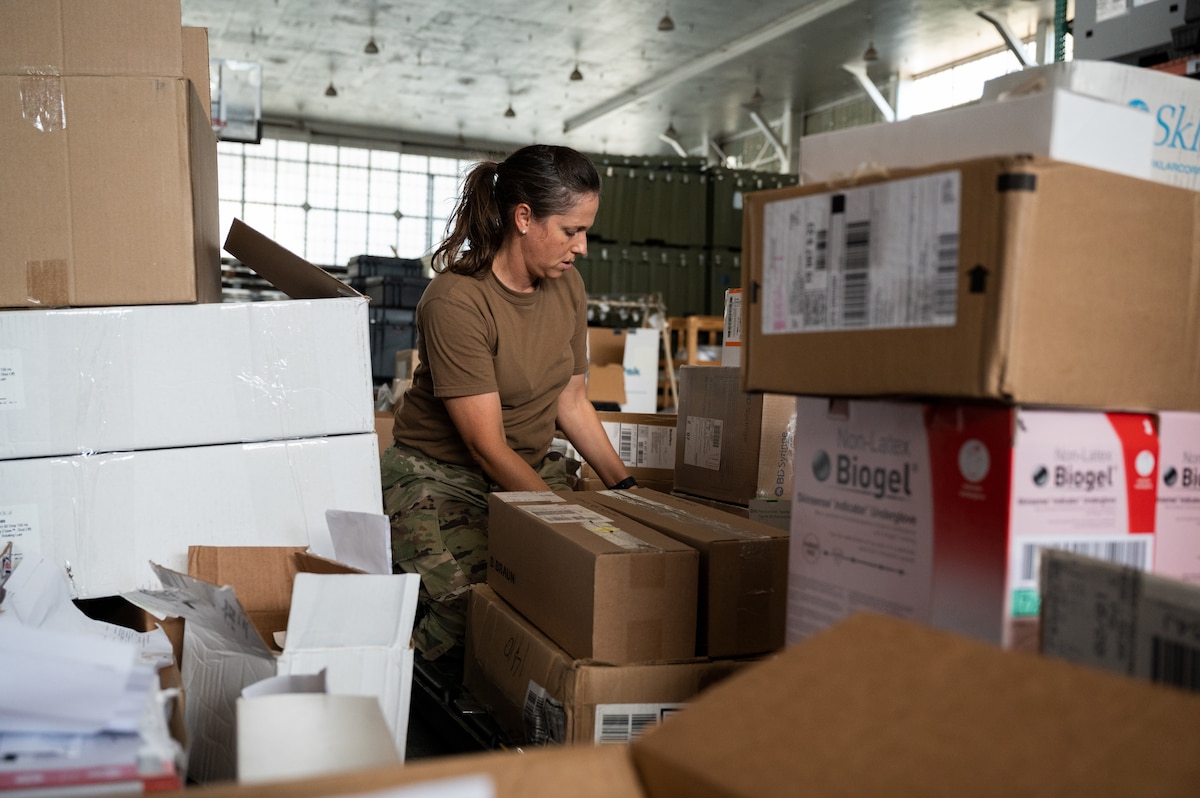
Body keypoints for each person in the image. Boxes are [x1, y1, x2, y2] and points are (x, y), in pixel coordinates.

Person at [380, 144, 637, 666]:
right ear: (524, 218)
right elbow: (486, 446)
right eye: (571, 230)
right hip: (441, 476)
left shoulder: (568, 286)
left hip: (530, 468)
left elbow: (572, 400)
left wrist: (630, 491)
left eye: (586, 230)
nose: (582, 247)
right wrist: (565, 529)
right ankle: (401, 666)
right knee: (475, 606)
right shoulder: (456, 301)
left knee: (566, 594)